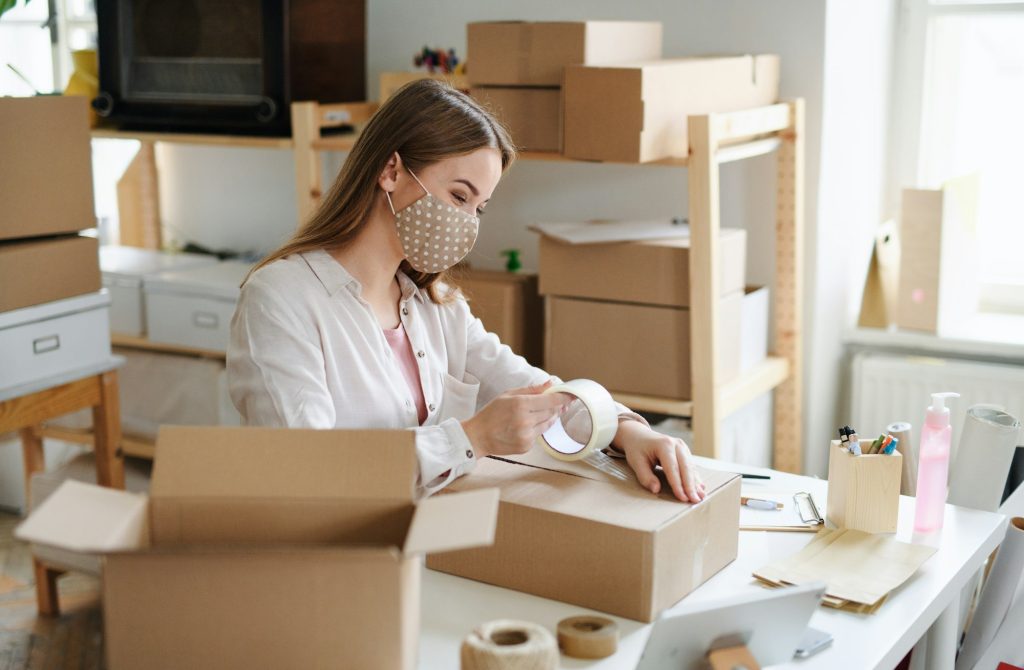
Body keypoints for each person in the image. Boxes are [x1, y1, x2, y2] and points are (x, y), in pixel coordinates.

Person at [227, 79, 705, 502]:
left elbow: (529, 387)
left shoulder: (435, 307)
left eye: (479, 207)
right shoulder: (281, 298)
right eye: (458, 196)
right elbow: (304, 470)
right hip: (330, 564)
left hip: (423, 539)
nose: (466, 222)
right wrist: (471, 437)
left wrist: (624, 428)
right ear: (391, 170)